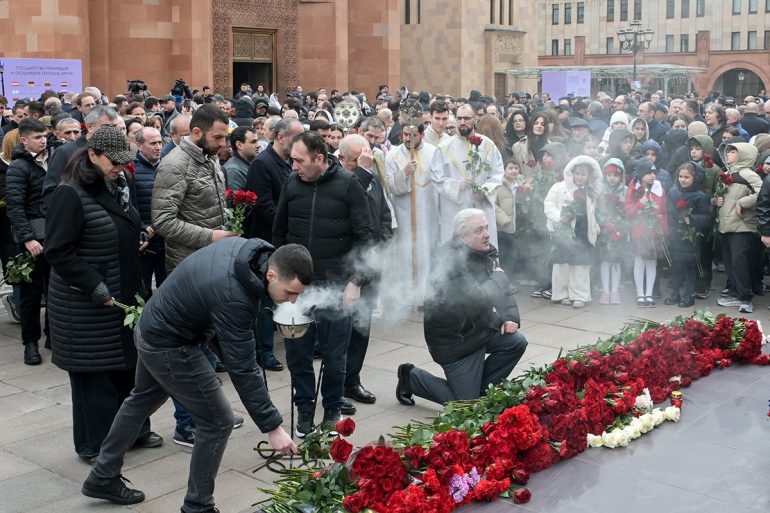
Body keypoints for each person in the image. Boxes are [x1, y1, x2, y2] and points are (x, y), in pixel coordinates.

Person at [82, 239, 311, 512]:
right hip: (169, 344)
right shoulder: (235, 294)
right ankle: (197, 505)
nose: (293, 300)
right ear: (271, 274)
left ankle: (102, 475)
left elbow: (226, 338)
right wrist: (273, 427)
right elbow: (244, 368)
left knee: (140, 400)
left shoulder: (250, 253)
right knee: (217, 422)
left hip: (152, 325)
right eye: (290, 292)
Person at [45, 125, 162, 461]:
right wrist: (94, 285)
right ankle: (94, 444)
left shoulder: (117, 185)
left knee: (128, 369)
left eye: (124, 161)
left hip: (121, 295)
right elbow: (59, 252)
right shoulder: (69, 193)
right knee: (94, 379)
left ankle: (133, 431)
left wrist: (136, 232)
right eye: (114, 161)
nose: (120, 167)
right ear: (92, 155)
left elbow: (116, 225)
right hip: (85, 304)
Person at [151, 104, 243, 446]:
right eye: (218, 137)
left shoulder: (210, 159)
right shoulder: (175, 165)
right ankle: (187, 423)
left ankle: (213, 412)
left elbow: (211, 207)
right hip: (188, 269)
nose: (224, 144)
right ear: (196, 132)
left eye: (225, 136)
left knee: (206, 347)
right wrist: (211, 236)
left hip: (212, 264)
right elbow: (163, 221)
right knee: (188, 351)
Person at [272, 131, 373, 437]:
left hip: (337, 283)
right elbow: (279, 233)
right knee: (298, 353)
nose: (294, 167)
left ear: (319, 159)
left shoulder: (348, 184)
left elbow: (365, 238)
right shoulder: (291, 183)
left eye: (300, 161)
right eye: (292, 160)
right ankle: (304, 407)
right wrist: (278, 278)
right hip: (297, 288)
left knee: (334, 353)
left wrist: (356, 281)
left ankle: (331, 408)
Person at [396, 208, 527, 406]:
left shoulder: (483, 251)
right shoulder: (451, 261)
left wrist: (510, 317)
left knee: (516, 342)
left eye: (486, 228)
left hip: (479, 329)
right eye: (479, 230)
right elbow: (476, 299)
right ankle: (411, 378)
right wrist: (498, 278)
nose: (486, 234)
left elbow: (503, 289)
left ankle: (479, 392)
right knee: (462, 406)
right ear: (462, 236)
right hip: (456, 343)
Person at [337, 134, 392, 411]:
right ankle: (336, 387)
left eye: (366, 155)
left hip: (371, 264)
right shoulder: (343, 180)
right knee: (342, 331)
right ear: (343, 160)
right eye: (358, 158)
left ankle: (352, 379)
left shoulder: (371, 178)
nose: (365, 160)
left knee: (362, 327)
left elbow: (382, 217)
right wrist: (363, 171)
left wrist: (379, 249)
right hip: (347, 268)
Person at [5, 118, 50, 364]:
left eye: (44, 136)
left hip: (54, 235)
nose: (43, 140)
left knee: (55, 290)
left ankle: (52, 335)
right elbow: (15, 207)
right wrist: (27, 239)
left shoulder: (51, 159)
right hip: (32, 239)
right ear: (23, 140)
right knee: (31, 295)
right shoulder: (19, 167)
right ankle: (30, 343)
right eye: (37, 137)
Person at [384, 123, 442, 305]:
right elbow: (391, 186)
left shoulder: (434, 152)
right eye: (406, 135)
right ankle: (408, 295)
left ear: (422, 135)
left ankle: (426, 295)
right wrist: (405, 172)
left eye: (413, 135)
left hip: (429, 211)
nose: (408, 139)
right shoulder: (392, 155)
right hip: (405, 213)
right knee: (407, 253)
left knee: (428, 251)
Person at [437, 104, 503, 245]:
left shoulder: (488, 145)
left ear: (475, 119)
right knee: (456, 253)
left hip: (480, 206)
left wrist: (484, 192)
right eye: (459, 118)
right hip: (455, 208)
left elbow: (497, 174)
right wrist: (457, 185)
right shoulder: (444, 147)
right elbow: (437, 179)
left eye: (467, 118)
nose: (462, 122)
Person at [544, 156, 601, 308]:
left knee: (580, 263)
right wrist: (560, 217)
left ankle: (580, 295)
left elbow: (594, 212)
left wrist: (595, 228)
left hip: (582, 230)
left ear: (588, 176)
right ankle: (561, 293)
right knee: (562, 262)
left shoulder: (591, 191)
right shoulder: (560, 187)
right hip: (564, 229)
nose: (580, 177)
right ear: (571, 173)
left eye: (583, 174)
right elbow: (549, 204)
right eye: (577, 173)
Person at [715, 142, 762, 314]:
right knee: (729, 262)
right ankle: (735, 292)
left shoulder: (749, 175)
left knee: (739, 262)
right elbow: (718, 194)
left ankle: (745, 298)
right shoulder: (726, 174)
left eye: (733, 151)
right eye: (728, 151)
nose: (728, 154)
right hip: (725, 225)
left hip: (741, 226)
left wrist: (743, 202)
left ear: (744, 154)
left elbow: (762, 193)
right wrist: (716, 200)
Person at [664, 162, 711, 308]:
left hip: (691, 237)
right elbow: (669, 210)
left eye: (687, 177)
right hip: (675, 234)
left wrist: (690, 219)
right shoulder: (673, 192)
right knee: (675, 266)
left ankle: (688, 295)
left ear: (695, 178)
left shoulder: (700, 196)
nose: (682, 180)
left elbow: (706, 218)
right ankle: (675, 294)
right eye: (680, 176)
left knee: (689, 267)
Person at [625, 157, 668, 307]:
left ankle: (649, 294)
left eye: (654, 172)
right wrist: (639, 205)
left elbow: (663, 210)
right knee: (639, 262)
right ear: (641, 174)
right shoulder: (633, 189)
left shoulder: (659, 189)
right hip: (639, 231)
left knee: (651, 263)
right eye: (648, 173)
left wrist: (663, 228)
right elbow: (628, 212)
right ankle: (640, 293)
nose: (652, 176)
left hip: (654, 232)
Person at [596, 159, 628, 304]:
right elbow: (597, 210)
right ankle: (605, 290)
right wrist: (604, 222)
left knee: (616, 261)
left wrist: (621, 226)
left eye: (615, 175)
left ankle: (614, 290)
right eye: (609, 175)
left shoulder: (626, 191)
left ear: (621, 176)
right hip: (605, 231)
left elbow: (629, 211)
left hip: (619, 231)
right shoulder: (600, 190)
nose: (612, 178)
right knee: (605, 261)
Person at [222, 126, 259, 191]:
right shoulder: (233, 171)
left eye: (257, 141)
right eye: (253, 142)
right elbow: (235, 200)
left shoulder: (248, 164)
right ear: (239, 145)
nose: (258, 145)